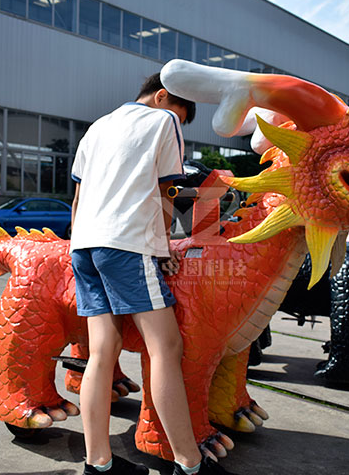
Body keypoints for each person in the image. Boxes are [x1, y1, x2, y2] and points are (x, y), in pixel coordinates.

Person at [69, 74, 235, 475]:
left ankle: (99, 464)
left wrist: (78, 245)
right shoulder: (164, 122)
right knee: (166, 348)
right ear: (162, 96)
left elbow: (76, 198)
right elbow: (164, 192)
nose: (177, 123)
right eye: (178, 113)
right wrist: (162, 252)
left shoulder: (96, 127)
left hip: (84, 246)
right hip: (126, 246)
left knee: (101, 353)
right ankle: (190, 463)